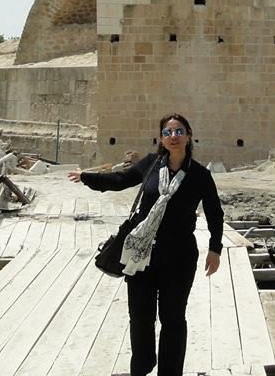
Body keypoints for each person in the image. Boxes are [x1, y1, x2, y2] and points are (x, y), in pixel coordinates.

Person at [68, 113, 223, 376]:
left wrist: (215, 248)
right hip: (142, 255)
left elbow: (214, 212)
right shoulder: (151, 165)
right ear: (161, 139)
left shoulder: (200, 175)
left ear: (188, 136)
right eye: (167, 132)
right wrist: (87, 177)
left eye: (178, 131)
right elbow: (119, 181)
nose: (173, 136)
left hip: (179, 259)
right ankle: (141, 367)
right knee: (140, 318)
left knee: (173, 319)